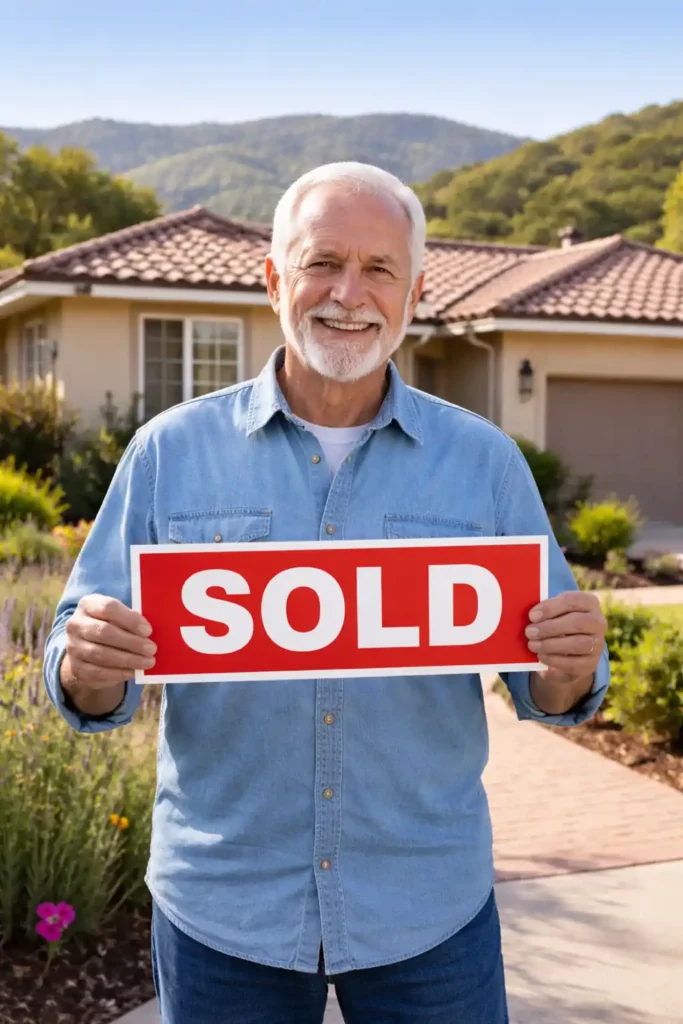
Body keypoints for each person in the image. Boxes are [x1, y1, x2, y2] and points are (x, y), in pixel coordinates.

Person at [44, 162, 609, 1024]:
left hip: (428, 908)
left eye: (379, 269)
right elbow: (79, 664)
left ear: (413, 292)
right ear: (273, 278)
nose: (349, 294)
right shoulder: (168, 453)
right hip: (225, 910)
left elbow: (550, 690)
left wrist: (567, 667)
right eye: (322, 262)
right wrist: (89, 664)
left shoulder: (485, 462)